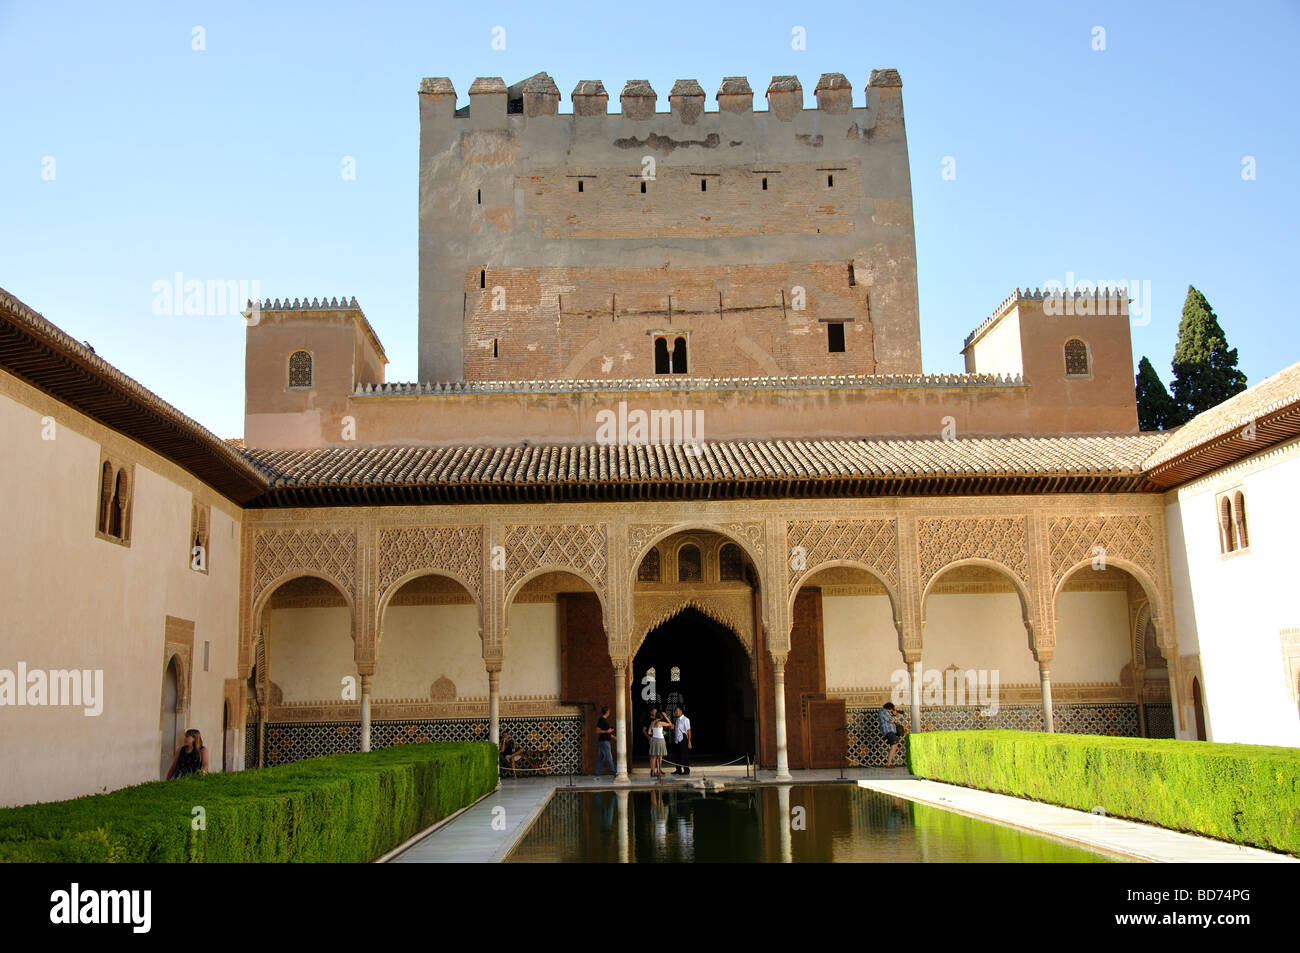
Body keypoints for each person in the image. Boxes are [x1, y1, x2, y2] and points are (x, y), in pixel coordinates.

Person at [645, 706, 672, 779]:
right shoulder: (661, 723)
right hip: (660, 740)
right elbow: (670, 724)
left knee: (653, 757)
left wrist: (655, 732)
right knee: (660, 756)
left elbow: (649, 732)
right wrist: (666, 717)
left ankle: (653, 772)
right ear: (661, 717)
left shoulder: (652, 722)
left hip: (654, 740)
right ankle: (659, 771)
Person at [593, 705, 616, 778]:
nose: (609, 712)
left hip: (604, 741)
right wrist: (607, 731)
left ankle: (596, 773)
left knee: (600, 757)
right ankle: (615, 771)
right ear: (607, 712)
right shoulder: (601, 720)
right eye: (609, 711)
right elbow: (597, 731)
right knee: (609, 757)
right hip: (604, 742)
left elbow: (607, 732)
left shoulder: (604, 720)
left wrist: (613, 737)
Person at [879, 702, 903, 767]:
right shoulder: (883, 712)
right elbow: (891, 720)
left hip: (891, 731)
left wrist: (893, 714)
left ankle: (889, 763)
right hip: (888, 731)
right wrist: (894, 714)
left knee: (895, 745)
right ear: (889, 708)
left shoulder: (887, 713)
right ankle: (888, 764)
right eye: (891, 709)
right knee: (894, 744)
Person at [672, 705, 692, 776]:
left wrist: (689, 742)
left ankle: (686, 770)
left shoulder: (686, 719)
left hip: (683, 739)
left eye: (677, 711)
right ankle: (678, 770)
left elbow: (688, 731)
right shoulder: (677, 720)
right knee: (677, 756)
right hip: (677, 740)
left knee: (684, 756)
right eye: (675, 711)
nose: (676, 713)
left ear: (681, 711)